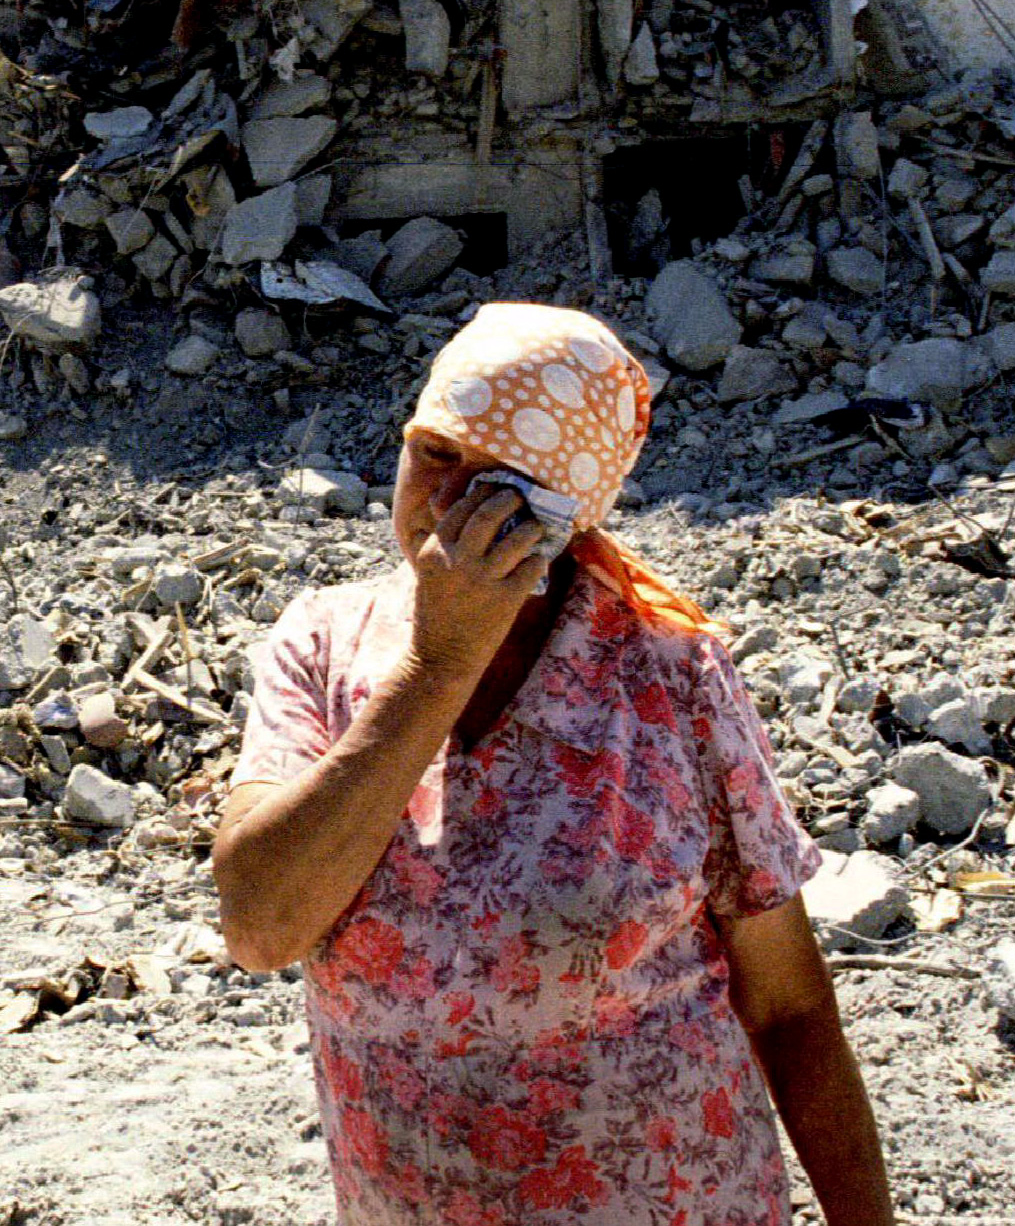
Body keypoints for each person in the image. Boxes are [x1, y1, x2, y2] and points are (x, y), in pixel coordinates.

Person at [211, 304, 893, 1226]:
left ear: (571, 514)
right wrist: (436, 666)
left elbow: (788, 1006)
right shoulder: (326, 643)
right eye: (436, 453)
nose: (450, 505)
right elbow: (260, 928)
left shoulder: (669, 671)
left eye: (503, 486)